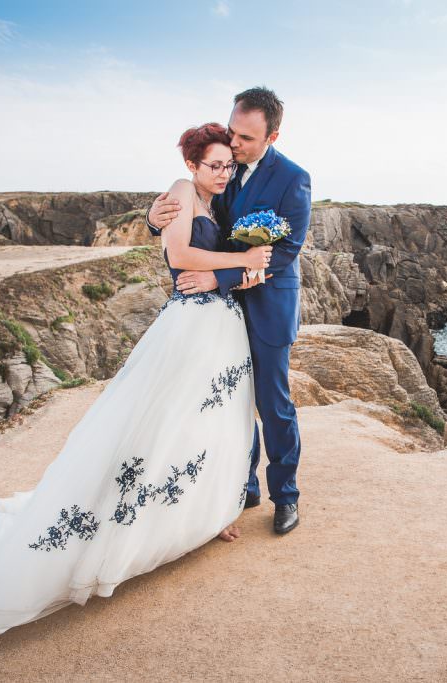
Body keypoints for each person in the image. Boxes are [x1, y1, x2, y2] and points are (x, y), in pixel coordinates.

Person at [0, 123, 271, 637]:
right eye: (213, 165)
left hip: (222, 328)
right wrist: (243, 258)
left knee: (210, 423)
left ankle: (205, 513)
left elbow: (209, 250)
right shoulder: (181, 193)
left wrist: (235, 267)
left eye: (227, 164)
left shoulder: (221, 200)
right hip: (192, 325)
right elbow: (179, 256)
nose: (223, 173)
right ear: (191, 167)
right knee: (163, 422)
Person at [146, 86, 311, 535]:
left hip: (267, 306)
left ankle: (285, 497)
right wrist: (154, 218)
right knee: (230, 403)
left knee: (272, 404)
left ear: (273, 137)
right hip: (220, 313)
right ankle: (242, 487)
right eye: (233, 132)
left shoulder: (292, 178)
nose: (235, 145)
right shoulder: (223, 164)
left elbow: (284, 252)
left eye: (247, 139)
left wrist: (217, 278)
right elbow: (195, 212)